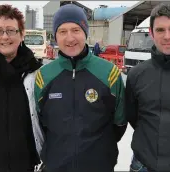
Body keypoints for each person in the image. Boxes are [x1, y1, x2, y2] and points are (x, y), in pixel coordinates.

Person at [34, 4, 127, 172]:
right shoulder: (44, 76)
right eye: (62, 31)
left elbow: (119, 123)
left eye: (76, 30)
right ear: (55, 36)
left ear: (85, 32)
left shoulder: (109, 73)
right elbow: (40, 123)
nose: (70, 38)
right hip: (56, 166)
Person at [125, 2, 170, 172]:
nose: (167, 36)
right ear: (151, 32)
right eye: (160, 30)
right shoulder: (136, 75)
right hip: (143, 165)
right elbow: (133, 117)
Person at [0, 4, 44, 172]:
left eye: (11, 30)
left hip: (28, 165)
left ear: (22, 34)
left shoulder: (37, 73)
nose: (5, 37)